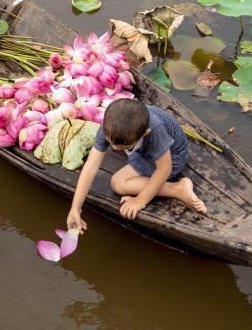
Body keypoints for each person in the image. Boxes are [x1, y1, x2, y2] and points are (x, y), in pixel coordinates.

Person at [66, 98, 207, 233]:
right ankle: (138, 156)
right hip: (145, 150)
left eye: (122, 146)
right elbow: (91, 165)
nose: (114, 148)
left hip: (173, 156)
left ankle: (177, 189)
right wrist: (75, 208)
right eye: (112, 142)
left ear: (145, 133)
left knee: (119, 183)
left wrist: (141, 200)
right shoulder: (108, 127)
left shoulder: (154, 129)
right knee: (120, 155)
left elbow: (164, 169)